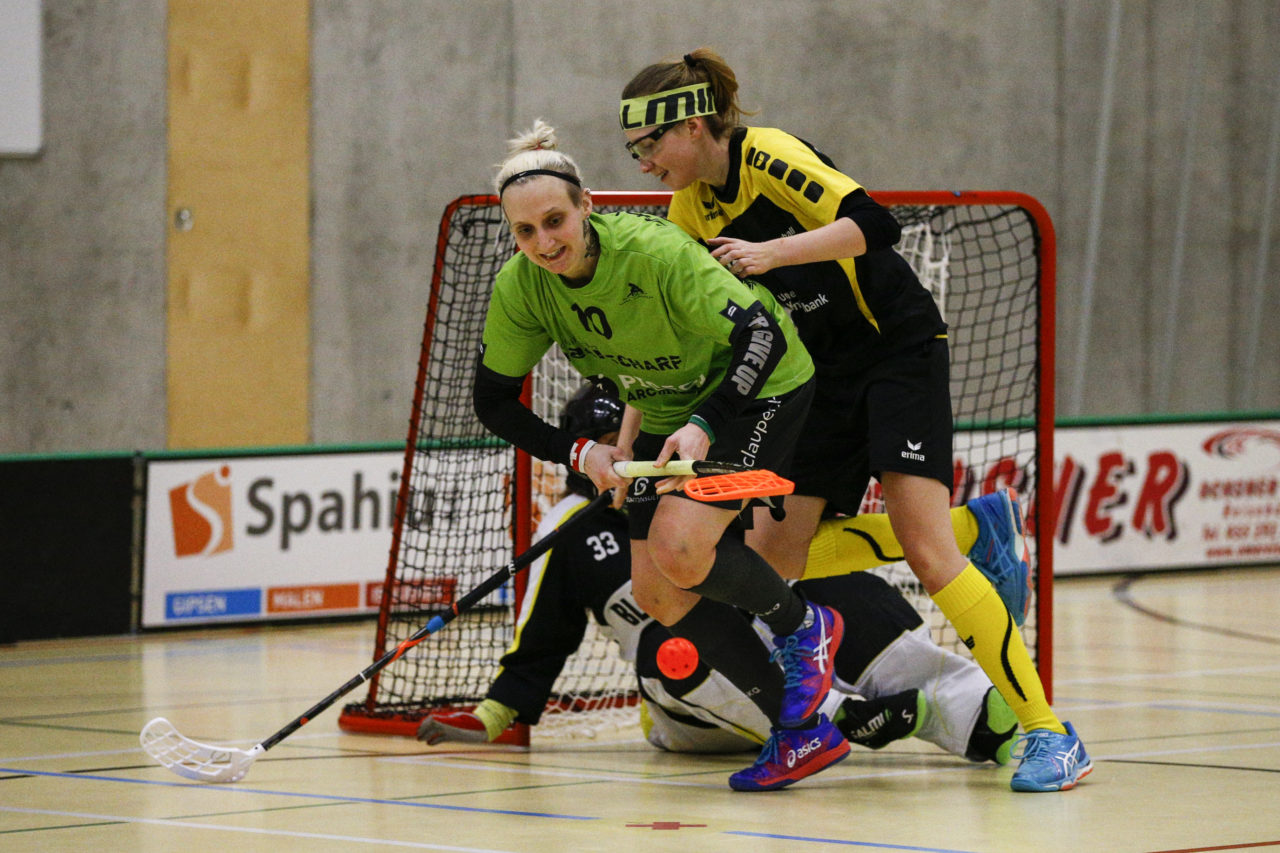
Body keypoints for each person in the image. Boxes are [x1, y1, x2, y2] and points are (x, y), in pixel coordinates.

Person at [618, 49, 1090, 793]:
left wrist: (770, 253)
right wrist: (631, 430)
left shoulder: (767, 154)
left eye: (651, 144)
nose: (644, 162)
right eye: (633, 151)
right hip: (815, 376)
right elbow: (683, 334)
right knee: (772, 566)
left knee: (927, 550)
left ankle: (1050, 732)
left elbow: (875, 223)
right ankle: (981, 528)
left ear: (698, 124)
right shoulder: (686, 212)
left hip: (894, 349)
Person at [472, 119, 846, 792]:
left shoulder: (652, 252)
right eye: (525, 233)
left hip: (759, 386)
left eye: (555, 221)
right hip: (668, 405)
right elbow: (493, 401)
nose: (544, 244)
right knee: (658, 591)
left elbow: (758, 334)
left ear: (587, 206)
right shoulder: (522, 288)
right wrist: (582, 449)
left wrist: (707, 421)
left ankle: (807, 626)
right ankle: (801, 730)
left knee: (681, 546)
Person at [419, 382, 1019, 769]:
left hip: (778, 648)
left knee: (825, 587)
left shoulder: (697, 495)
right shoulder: (572, 525)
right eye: (610, 447)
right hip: (688, 711)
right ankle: (833, 719)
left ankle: (977, 711)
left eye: (632, 441)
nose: (633, 459)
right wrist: (488, 717)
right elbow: (537, 645)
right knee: (675, 639)